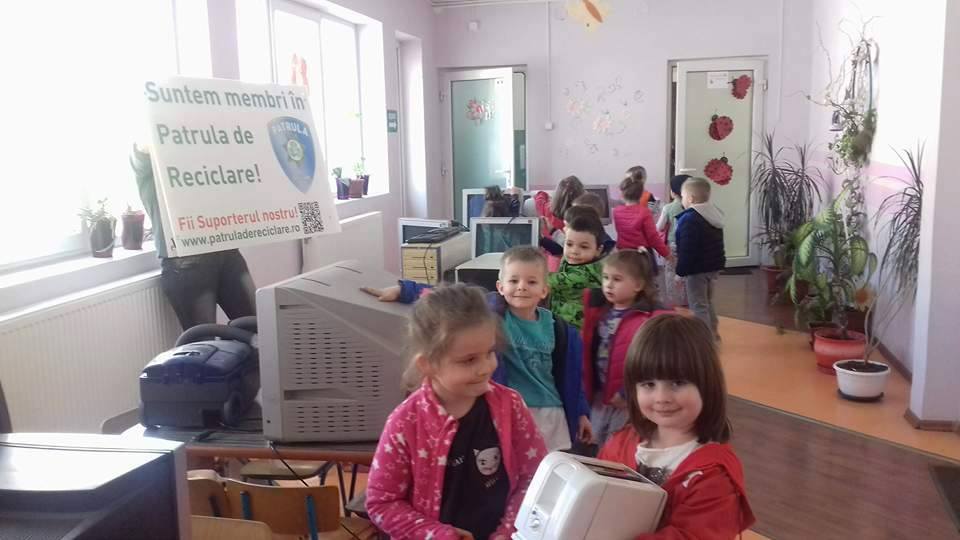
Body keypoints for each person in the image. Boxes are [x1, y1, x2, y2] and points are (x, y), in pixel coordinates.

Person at [365, 285, 547, 540]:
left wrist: (507, 532)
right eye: (469, 360)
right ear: (427, 364)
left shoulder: (511, 405)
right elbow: (382, 503)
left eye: (490, 353)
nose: (485, 368)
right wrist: (437, 535)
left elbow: (536, 478)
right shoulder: (405, 422)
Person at [598, 314, 755, 539]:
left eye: (677, 383)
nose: (662, 398)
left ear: (707, 384)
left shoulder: (714, 475)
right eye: (649, 384)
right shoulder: (620, 444)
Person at [130, 144, 256, 330]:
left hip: (225, 249)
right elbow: (141, 153)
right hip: (186, 259)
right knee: (204, 340)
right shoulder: (147, 158)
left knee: (261, 326)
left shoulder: (200, 156)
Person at [491, 246, 592, 452]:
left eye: (531, 282)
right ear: (500, 287)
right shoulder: (493, 321)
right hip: (512, 412)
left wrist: (581, 412)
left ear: (544, 290)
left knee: (553, 468)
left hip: (552, 413)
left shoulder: (561, 330)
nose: (522, 287)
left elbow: (573, 375)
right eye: (513, 281)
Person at [581, 250, 671, 446]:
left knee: (620, 442)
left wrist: (626, 393)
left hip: (627, 400)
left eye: (617, 279)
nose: (608, 284)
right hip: (600, 395)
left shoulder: (647, 320)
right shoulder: (599, 312)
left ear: (638, 285)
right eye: (605, 277)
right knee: (596, 440)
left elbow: (649, 363)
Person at [674, 177, 725, 339]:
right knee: (707, 301)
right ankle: (713, 332)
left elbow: (687, 250)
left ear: (690, 198)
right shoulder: (713, 214)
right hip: (713, 267)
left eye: (683, 196)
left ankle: (704, 339)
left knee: (698, 305)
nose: (682, 200)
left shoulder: (689, 219)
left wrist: (680, 272)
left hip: (696, 270)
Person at [546, 211, 605, 329]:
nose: (574, 251)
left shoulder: (585, 274)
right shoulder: (572, 261)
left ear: (598, 250)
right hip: (561, 321)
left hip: (574, 330)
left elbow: (548, 281)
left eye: (584, 247)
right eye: (569, 244)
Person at [613, 166, 672, 271]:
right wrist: (666, 254)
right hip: (641, 254)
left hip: (623, 253)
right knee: (643, 279)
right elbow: (653, 237)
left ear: (622, 194)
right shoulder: (645, 212)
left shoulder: (616, 211)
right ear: (641, 194)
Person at [535, 175, 585, 271]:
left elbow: (540, 196)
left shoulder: (546, 209)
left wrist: (548, 197)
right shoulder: (579, 219)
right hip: (570, 263)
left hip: (548, 263)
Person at [656, 175, 691, 307]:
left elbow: (659, 227)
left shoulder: (668, 207)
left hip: (673, 244)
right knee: (687, 270)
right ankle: (687, 300)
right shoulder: (692, 206)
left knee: (671, 271)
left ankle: (675, 301)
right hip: (689, 244)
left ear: (673, 192)